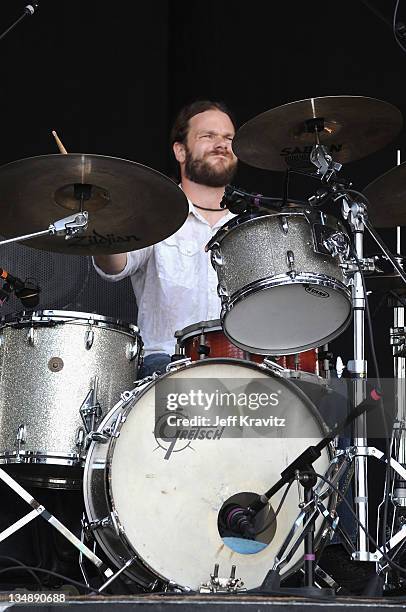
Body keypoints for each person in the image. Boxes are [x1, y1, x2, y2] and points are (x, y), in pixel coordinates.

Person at [93, 100, 238, 378]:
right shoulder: (155, 215)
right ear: (180, 151)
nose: (221, 144)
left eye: (228, 138)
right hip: (166, 365)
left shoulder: (250, 227)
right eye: (208, 136)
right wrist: (102, 222)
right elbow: (115, 266)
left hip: (238, 365)